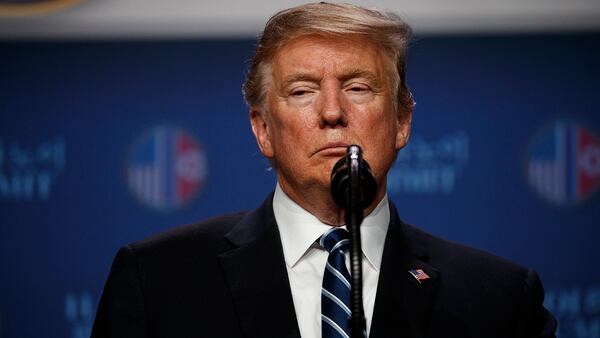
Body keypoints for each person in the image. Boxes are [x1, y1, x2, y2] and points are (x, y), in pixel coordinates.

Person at [91, 3, 557, 338]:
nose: (332, 112)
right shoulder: (158, 281)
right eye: (301, 91)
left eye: (358, 87)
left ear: (401, 121)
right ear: (263, 129)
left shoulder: (498, 299)